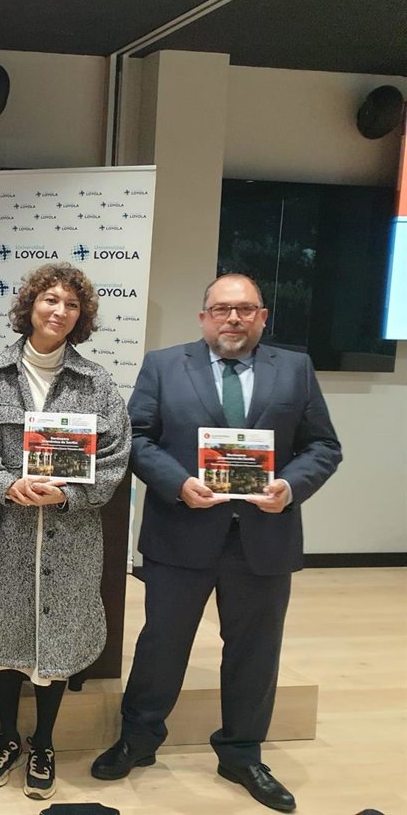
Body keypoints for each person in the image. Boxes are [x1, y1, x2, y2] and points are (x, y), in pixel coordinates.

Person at [91, 274, 342, 813]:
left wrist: (290, 487)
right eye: (222, 309)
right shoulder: (163, 365)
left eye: (245, 309)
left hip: (264, 537)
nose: (233, 318)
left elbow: (323, 445)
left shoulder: (294, 369)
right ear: (203, 315)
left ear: (262, 317)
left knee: (255, 651)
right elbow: (137, 439)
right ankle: (139, 739)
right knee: (162, 644)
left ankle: (241, 752)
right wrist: (178, 483)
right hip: (181, 531)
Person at [0, 263, 130, 801]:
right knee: (3, 633)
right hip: (0, 529)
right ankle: (7, 737)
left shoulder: (97, 384)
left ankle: (44, 742)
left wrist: (69, 494)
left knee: (56, 636)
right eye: (50, 300)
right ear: (30, 306)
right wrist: (6, 484)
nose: (59, 311)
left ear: (82, 316)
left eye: (71, 305)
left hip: (69, 534)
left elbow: (115, 458)